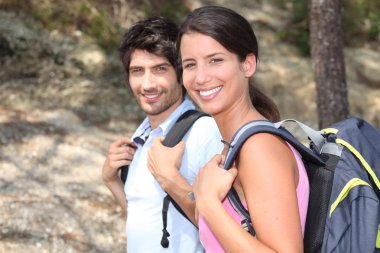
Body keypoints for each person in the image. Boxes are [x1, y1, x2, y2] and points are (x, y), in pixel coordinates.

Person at [148, 6, 309, 252]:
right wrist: (175, 182)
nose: (200, 77)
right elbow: (230, 233)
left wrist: (209, 203)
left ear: (248, 65)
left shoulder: (259, 149)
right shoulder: (235, 143)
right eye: (190, 65)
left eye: (215, 60)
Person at [101, 16, 223, 253]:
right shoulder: (142, 135)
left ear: (180, 74)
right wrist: (111, 180)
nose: (147, 84)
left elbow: (227, 228)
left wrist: (170, 178)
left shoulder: (203, 132)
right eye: (137, 71)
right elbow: (147, 216)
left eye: (159, 69)